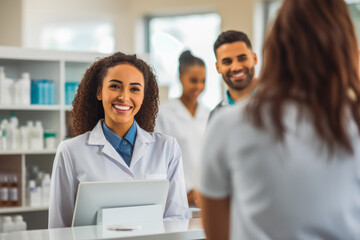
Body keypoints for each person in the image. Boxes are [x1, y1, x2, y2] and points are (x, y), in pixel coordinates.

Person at [199, 0, 360, 239]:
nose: (235, 67)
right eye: (227, 61)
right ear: (346, 48)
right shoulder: (353, 119)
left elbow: (217, 232)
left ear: (270, 51)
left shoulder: (228, 126)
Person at [49, 52, 189, 228]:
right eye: (115, 86)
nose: (124, 97)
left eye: (135, 89)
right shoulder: (70, 151)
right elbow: (59, 228)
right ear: (99, 92)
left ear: (143, 96)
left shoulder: (167, 148)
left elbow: (177, 218)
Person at [155, 50, 209, 206]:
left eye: (203, 81)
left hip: (205, 199)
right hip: (175, 197)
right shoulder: (164, 113)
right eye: (193, 80)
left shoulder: (209, 115)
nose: (199, 86)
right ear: (180, 78)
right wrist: (185, 191)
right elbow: (159, 159)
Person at [208, 30, 258, 121]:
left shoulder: (278, 102)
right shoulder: (215, 117)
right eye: (227, 62)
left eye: (242, 59)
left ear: (254, 58)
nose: (236, 67)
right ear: (218, 67)